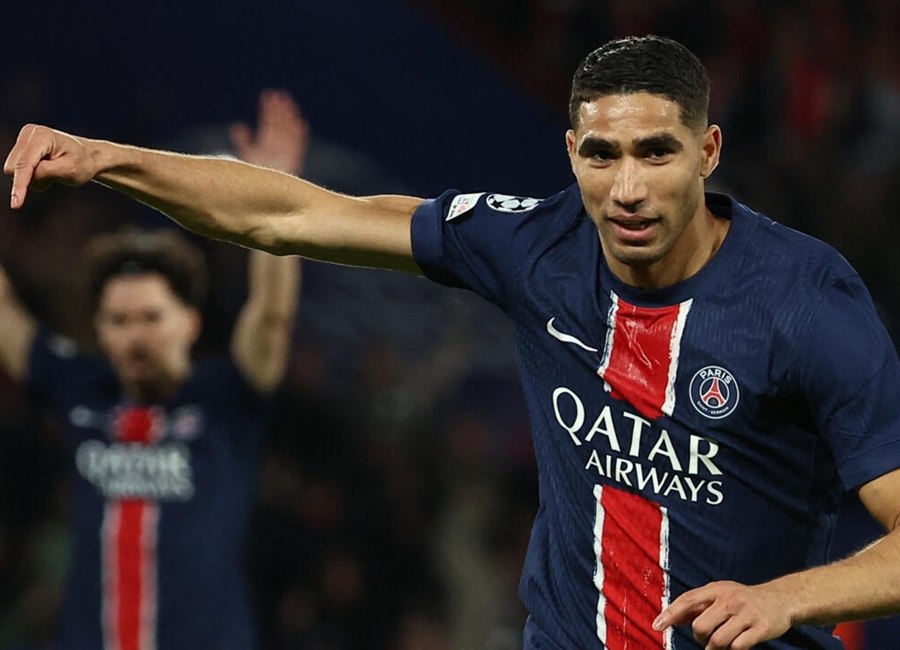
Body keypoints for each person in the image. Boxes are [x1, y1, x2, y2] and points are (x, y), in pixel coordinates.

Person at [5, 35, 900, 650]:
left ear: (708, 151)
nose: (626, 187)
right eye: (601, 155)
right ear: (571, 151)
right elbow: (288, 215)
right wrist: (106, 159)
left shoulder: (805, 301)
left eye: (656, 152)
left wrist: (783, 598)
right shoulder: (532, 246)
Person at [0, 90, 304, 649]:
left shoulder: (228, 394)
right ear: (99, 329)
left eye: (151, 317)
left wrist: (275, 190)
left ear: (190, 322)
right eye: (118, 320)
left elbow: (273, 314)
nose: (135, 334)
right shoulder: (79, 386)